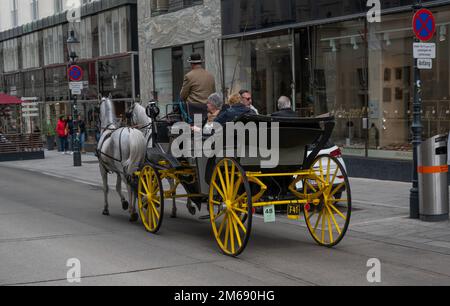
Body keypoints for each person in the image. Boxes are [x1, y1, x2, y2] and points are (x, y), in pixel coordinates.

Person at [180, 53, 216, 121]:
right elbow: (213, 93)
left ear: (191, 64)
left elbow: (183, 95)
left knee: (197, 129)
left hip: (194, 109)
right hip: (208, 108)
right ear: (200, 63)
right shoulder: (210, 76)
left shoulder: (189, 76)